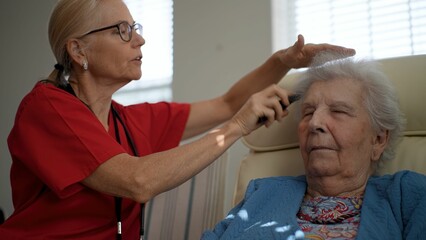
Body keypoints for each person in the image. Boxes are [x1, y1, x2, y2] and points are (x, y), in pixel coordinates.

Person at [0, 0, 355, 239]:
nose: (139, 39)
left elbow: (229, 102)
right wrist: (235, 128)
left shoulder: (132, 121)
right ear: (78, 51)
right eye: (121, 30)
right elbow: (138, 181)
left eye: (135, 27)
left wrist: (283, 61)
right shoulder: (47, 108)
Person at [201, 53, 426, 240]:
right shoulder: (262, 193)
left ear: (378, 140)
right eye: (308, 112)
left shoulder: (408, 195)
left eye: (338, 111)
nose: (315, 123)